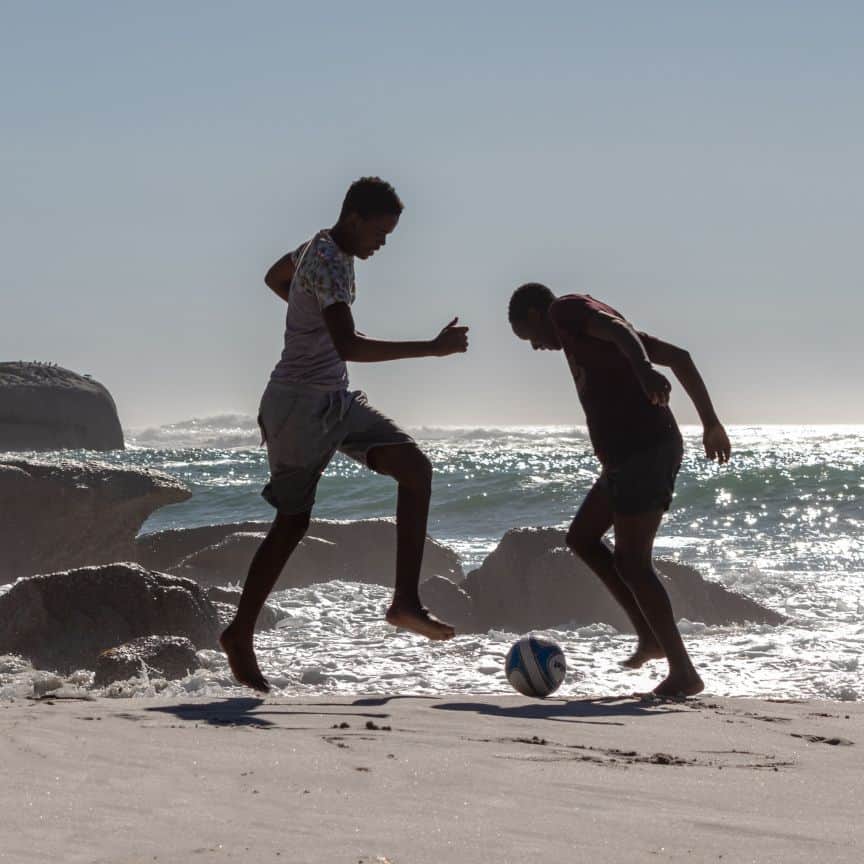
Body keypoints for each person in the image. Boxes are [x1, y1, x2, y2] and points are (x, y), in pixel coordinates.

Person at [221, 177, 468, 692]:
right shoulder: (331, 259)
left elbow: (275, 277)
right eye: (380, 231)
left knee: (414, 469)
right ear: (354, 218)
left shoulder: (320, 248)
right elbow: (349, 344)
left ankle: (404, 601)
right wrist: (432, 348)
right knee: (292, 524)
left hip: (334, 400)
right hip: (296, 408)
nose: (383, 243)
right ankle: (240, 634)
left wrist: (302, 313)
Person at [508, 284, 730, 697]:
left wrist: (645, 371)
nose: (538, 347)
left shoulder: (566, 310)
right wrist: (709, 422)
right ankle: (649, 637)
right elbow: (680, 357)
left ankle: (683, 671)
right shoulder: (603, 340)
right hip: (623, 460)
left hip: (644, 451)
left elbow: (618, 329)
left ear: (538, 314)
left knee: (632, 562)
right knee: (582, 537)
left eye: (530, 337)